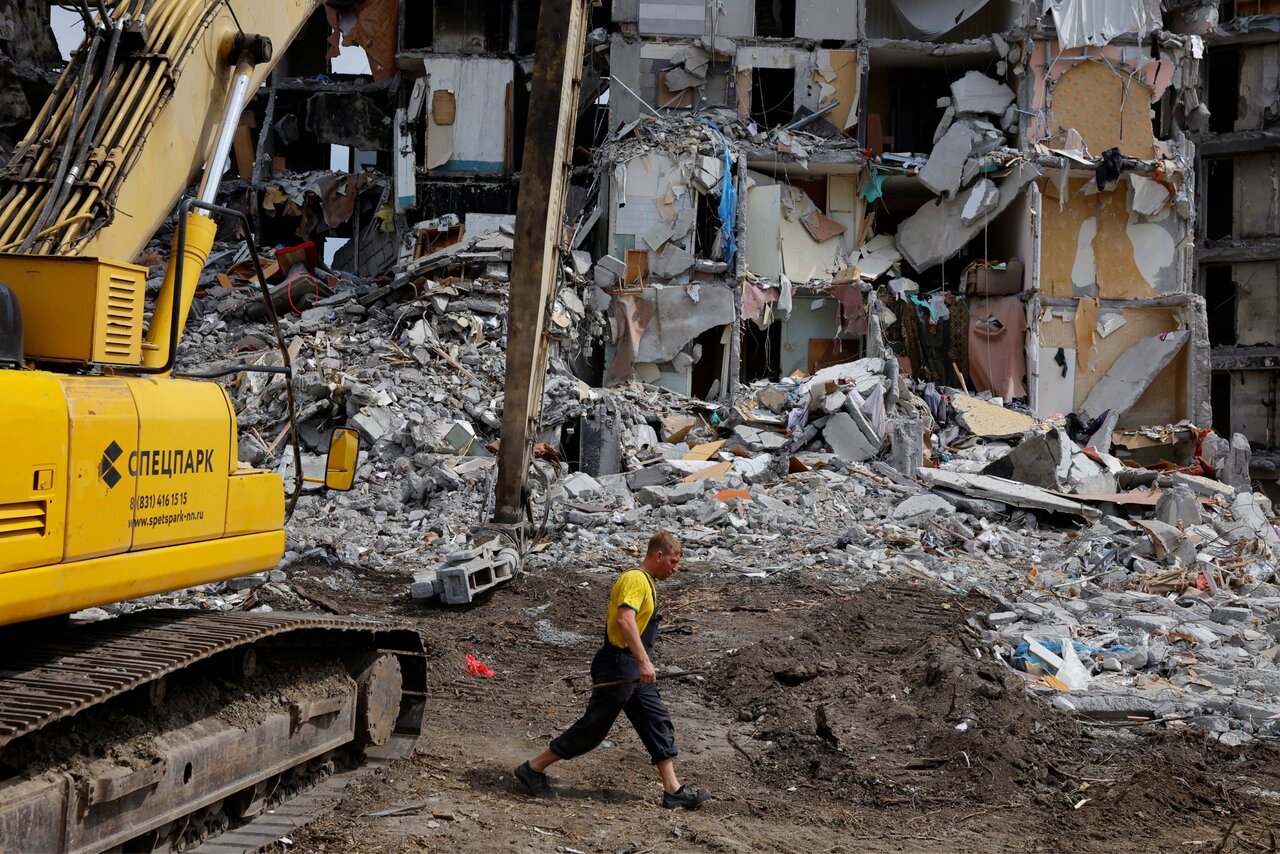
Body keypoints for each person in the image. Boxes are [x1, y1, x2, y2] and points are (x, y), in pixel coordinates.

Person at [514, 530, 710, 810]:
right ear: (658, 556)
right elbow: (625, 621)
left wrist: (641, 662)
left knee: (656, 720)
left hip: (632, 666)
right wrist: (643, 661)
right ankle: (533, 769)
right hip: (619, 664)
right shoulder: (635, 579)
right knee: (593, 728)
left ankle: (673, 790)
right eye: (673, 562)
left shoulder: (648, 582)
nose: (676, 569)